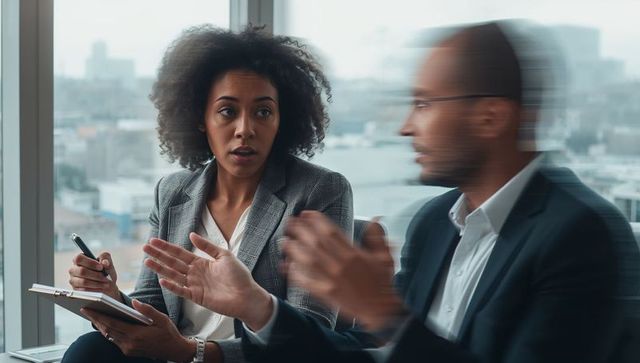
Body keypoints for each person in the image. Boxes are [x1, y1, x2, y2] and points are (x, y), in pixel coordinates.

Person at [141, 21, 640, 363]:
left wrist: (383, 311)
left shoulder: (581, 234)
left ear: (490, 117)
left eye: (423, 104)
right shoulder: (433, 224)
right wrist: (257, 307)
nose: (405, 127)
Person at [62, 25, 353, 363]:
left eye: (263, 112)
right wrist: (108, 294)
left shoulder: (319, 191)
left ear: (281, 120)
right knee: (88, 349)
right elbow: (152, 309)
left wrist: (193, 352)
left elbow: (310, 335)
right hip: (174, 355)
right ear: (201, 118)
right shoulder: (172, 192)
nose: (245, 129)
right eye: (228, 111)